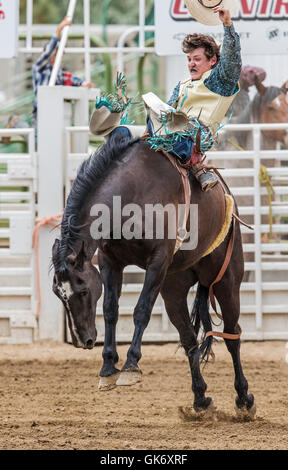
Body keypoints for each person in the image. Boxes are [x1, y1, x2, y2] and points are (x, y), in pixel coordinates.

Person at [89, 6, 241, 191]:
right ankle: (108, 168)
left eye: (197, 59)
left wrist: (227, 24)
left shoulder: (220, 80)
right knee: (120, 132)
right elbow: (167, 110)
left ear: (213, 61)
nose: (191, 64)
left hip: (194, 136)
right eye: (189, 59)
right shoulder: (183, 84)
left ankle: (194, 162)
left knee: (168, 126)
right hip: (168, 129)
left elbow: (233, 61)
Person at [31, 16, 95, 143]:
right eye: (54, 54)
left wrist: (83, 83)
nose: (54, 57)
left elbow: (72, 79)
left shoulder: (58, 73)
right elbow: (47, 53)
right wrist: (59, 29)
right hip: (42, 110)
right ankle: (16, 123)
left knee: (54, 141)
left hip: (56, 111)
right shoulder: (39, 67)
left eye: (57, 55)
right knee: (39, 140)